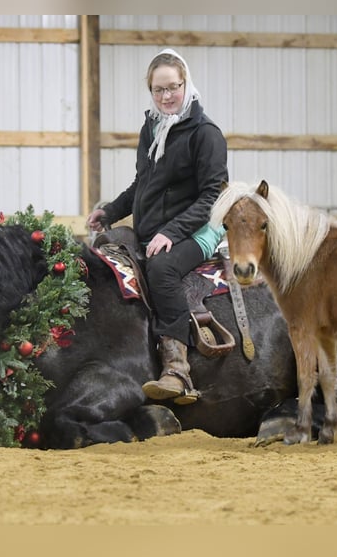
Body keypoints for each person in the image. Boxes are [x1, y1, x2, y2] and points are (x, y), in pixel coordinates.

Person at [87, 48, 228, 405]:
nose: (166, 97)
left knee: (162, 268)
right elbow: (142, 184)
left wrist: (171, 233)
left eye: (173, 88)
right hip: (156, 227)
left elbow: (213, 195)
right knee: (107, 247)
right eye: (158, 90)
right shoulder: (151, 128)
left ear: (186, 84)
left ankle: (177, 371)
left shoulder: (206, 133)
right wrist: (110, 212)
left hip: (199, 229)